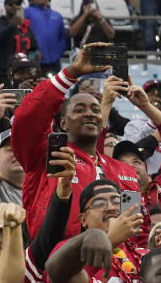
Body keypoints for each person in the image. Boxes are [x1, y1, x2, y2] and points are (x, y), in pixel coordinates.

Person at [13, 43, 139, 240]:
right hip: (58, 265)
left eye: (96, 110)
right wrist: (72, 73)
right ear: (63, 123)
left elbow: (134, 231)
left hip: (117, 267)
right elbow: (28, 119)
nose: (90, 114)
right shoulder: (49, 158)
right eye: (79, 110)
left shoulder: (125, 172)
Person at [24, 0, 68, 74]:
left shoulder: (57, 15)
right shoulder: (27, 12)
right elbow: (22, 33)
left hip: (54, 62)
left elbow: (63, 37)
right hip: (34, 62)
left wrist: (58, 53)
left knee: (55, 87)